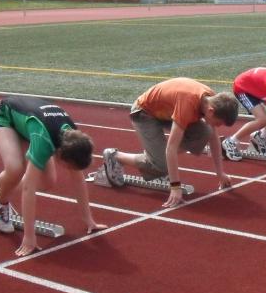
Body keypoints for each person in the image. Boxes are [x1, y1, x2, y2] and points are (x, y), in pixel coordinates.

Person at [0, 95, 107, 256]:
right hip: (4, 116)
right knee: (15, 168)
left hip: (32, 121)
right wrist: (29, 237)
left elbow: (78, 180)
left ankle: (2, 185)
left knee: (47, 182)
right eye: (68, 167)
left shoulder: (74, 137)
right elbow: (28, 188)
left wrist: (88, 220)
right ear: (60, 155)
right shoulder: (44, 141)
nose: (69, 170)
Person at [102, 77, 239, 208]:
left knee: (204, 132)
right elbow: (171, 148)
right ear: (211, 111)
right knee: (162, 164)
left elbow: (213, 138)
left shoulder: (212, 99)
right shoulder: (187, 105)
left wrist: (220, 173)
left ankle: (156, 158)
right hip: (144, 112)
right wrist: (175, 187)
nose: (218, 126)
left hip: (166, 112)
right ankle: (115, 156)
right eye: (219, 123)